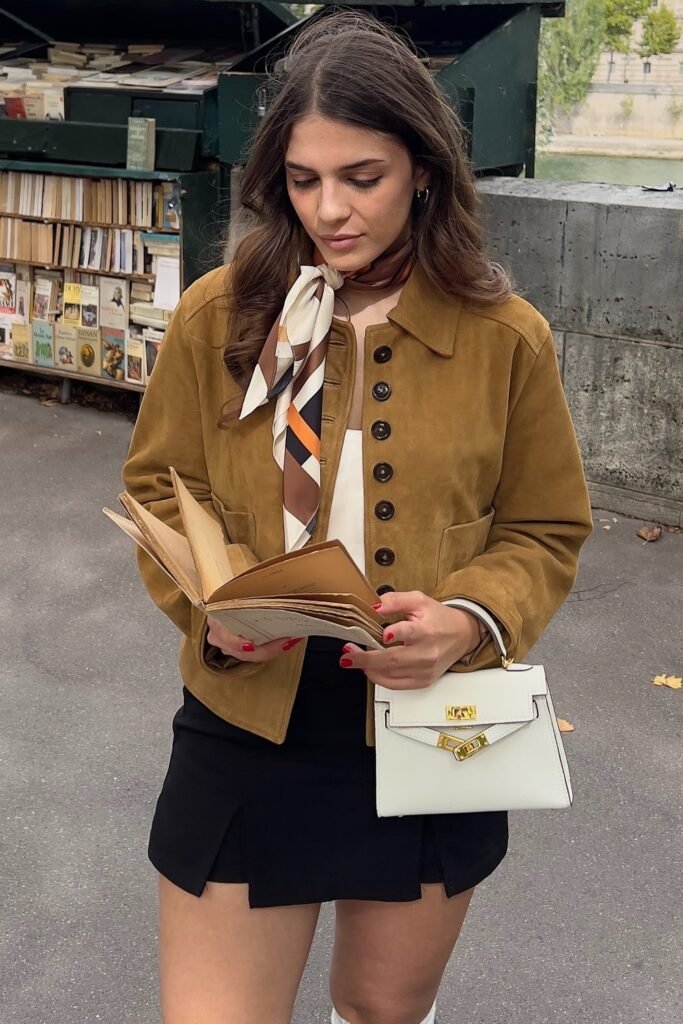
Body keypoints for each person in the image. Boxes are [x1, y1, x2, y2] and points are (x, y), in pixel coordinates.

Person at [122, 12, 592, 1024]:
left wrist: (467, 620)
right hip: (248, 712)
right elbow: (161, 484)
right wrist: (211, 603)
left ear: (421, 167)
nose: (328, 208)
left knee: (381, 1012)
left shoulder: (504, 337)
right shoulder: (221, 312)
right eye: (302, 179)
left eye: (360, 177)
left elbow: (544, 528)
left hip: (432, 722)